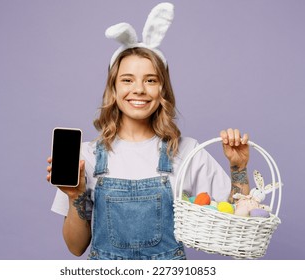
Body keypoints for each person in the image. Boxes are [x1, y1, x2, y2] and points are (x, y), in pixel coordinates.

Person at [46, 3, 250, 260]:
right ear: (114, 88)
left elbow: (235, 222)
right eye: (127, 79)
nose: (139, 89)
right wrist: (76, 195)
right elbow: (76, 247)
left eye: (150, 80)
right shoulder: (86, 156)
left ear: (162, 90)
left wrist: (238, 168)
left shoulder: (187, 152)